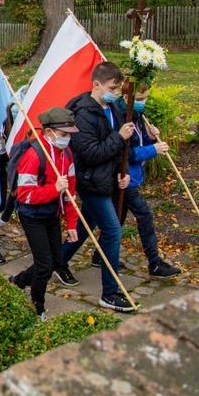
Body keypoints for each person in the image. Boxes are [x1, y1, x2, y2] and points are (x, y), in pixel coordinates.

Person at [59, 61, 135, 312]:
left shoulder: (111, 109)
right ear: (96, 85)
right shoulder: (83, 114)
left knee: (86, 226)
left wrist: (119, 175)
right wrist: (118, 137)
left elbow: (113, 152)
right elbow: (90, 153)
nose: (116, 93)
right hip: (90, 181)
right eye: (113, 88)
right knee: (112, 230)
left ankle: (57, 262)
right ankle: (109, 292)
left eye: (118, 89)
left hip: (104, 179)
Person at [91, 81, 180, 279]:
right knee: (144, 214)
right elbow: (126, 153)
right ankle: (154, 263)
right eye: (139, 99)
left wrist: (148, 137)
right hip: (123, 178)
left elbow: (138, 142)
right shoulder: (122, 117)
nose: (143, 103)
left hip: (132, 177)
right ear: (126, 98)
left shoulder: (137, 115)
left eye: (146, 98)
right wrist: (153, 150)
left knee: (118, 217)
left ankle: (99, 254)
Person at [8, 107, 79, 320]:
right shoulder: (33, 156)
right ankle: (37, 308)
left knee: (57, 261)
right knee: (44, 266)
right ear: (49, 132)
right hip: (32, 215)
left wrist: (72, 223)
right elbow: (24, 195)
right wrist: (53, 190)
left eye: (69, 135)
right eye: (64, 134)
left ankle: (17, 281)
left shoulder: (66, 154)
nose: (67, 139)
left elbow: (70, 192)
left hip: (52, 214)